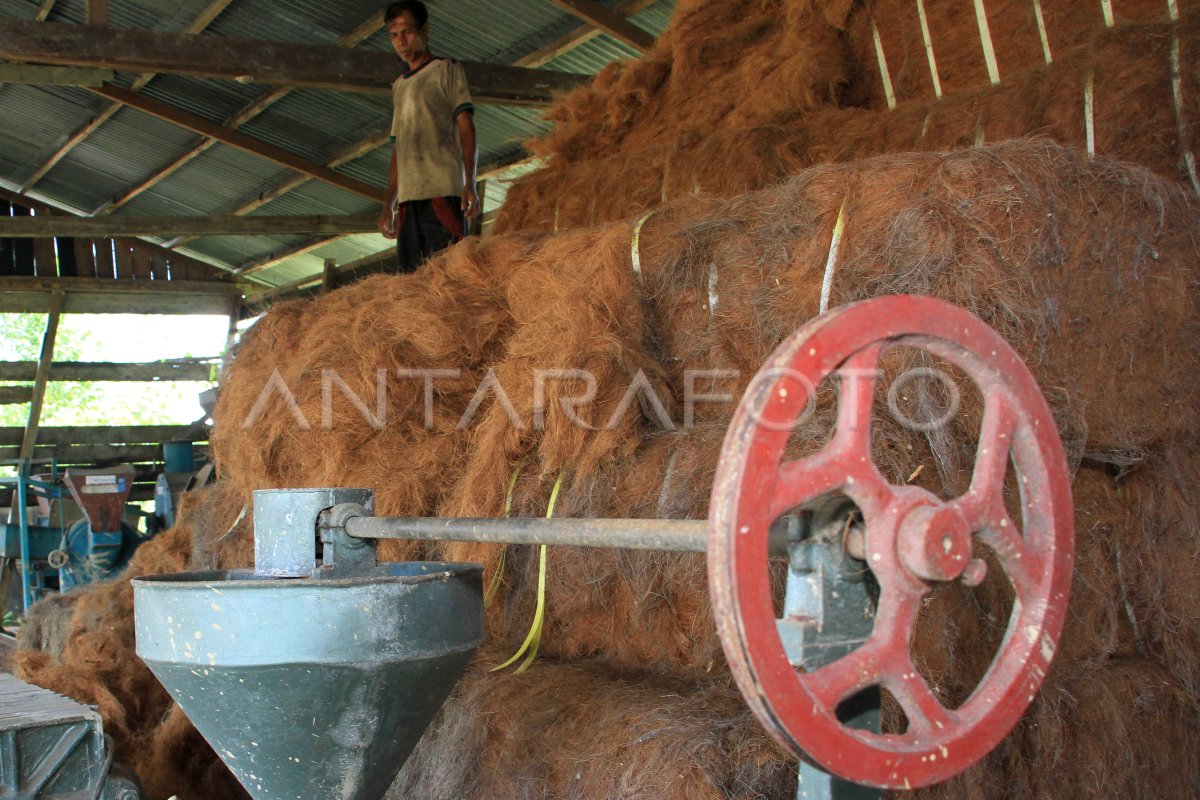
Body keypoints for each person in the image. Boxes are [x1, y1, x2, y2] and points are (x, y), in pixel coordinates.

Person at [378, 0, 481, 272]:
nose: (401, 41)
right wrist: (388, 202)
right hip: (409, 200)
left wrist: (469, 182)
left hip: (442, 191)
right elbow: (399, 147)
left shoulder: (445, 70)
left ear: (425, 30)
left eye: (407, 31)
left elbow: (466, 127)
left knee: (447, 275)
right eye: (394, 35)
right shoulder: (399, 86)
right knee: (411, 282)